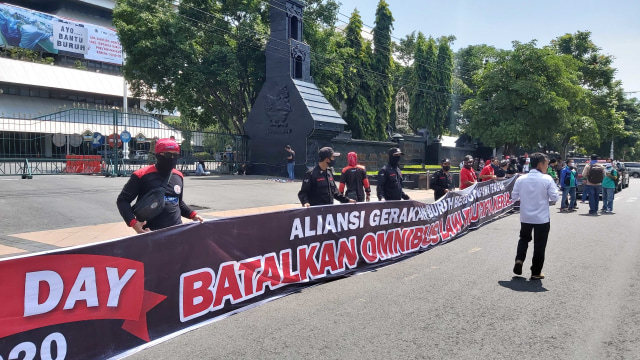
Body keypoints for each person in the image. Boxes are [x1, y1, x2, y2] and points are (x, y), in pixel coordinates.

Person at [117, 138, 204, 234]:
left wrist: (193, 215)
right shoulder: (141, 175)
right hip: (149, 233)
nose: (172, 158)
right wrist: (133, 223)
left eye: (175, 155)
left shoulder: (178, 176)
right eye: (167, 154)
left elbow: (178, 202)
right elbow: (122, 200)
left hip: (176, 231)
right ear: (158, 155)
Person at [512, 153, 559, 280]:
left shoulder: (521, 179)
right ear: (540, 164)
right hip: (542, 218)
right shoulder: (547, 179)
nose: (547, 166)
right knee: (540, 245)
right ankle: (536, 272)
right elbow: (555, 197)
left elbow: (514, 197)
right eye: (546, 164)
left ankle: (519, 259)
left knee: (523, 239)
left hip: (526, 216)